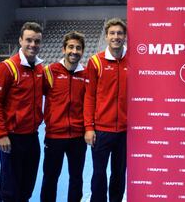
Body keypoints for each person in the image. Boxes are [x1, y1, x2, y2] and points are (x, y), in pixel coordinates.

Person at [0, 22, 43, 202]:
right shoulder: (6, 68)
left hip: (32, 137)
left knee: (27, 185)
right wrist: (1, 134)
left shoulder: (40, 69)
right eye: (28, 40)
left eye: (36, 41)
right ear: (20, 40)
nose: (32, 45)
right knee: (10, 189)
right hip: (11, 138)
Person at [40, 31, 88, 202]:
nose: (74, 51)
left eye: (78, 48)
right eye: (71, 47)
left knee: (76, 178)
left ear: (82, 51)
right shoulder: (50, 72)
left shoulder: (86, 74)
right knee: (50, 177)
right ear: (63, 49)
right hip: (54, 136)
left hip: (78, 137)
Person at [85, 18, 127, 202]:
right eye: (112, 33)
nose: (116, 37)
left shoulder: (134, 60)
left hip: (125, 132)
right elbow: (89, 97)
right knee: (99, 174)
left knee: (119, 174)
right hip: (101, 131)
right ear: (106, 36)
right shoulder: (95, 62)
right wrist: (89, 127)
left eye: (119, 33)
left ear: (125, 36)